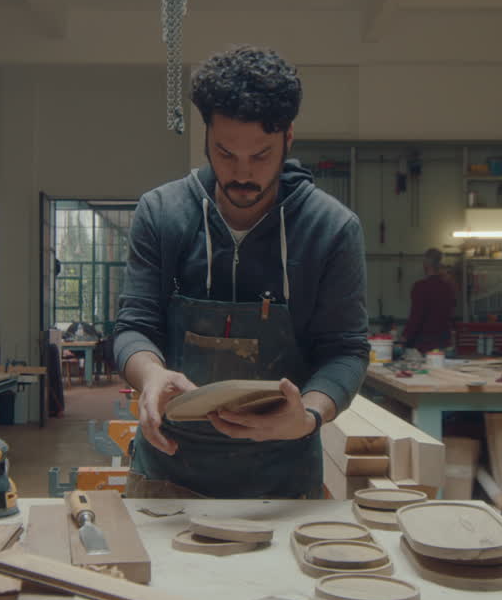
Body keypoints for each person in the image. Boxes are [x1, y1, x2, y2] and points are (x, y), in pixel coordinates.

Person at [112, 45, 370, 499]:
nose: (242, 174)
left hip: (283, 485)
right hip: (168, 474)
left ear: (289, 138)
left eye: (261, 155)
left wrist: (307, 415)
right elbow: (134, 328)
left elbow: (345, 351)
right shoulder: (162, 213)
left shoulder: (331, 229)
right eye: (226, 154)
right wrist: (149, 376)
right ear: (206, 136)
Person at [400, 248, 456, 354]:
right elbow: (451, 313)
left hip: (425, 344)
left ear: (426, 264)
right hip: (444, 342)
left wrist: (404, 337)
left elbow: (416, 316)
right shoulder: (448, 287)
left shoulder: (420, 287)